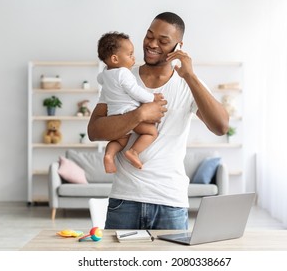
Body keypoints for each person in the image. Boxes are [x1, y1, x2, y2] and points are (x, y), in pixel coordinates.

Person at [88, 12, 229, 230]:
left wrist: (190, 76)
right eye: (149, 36)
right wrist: (139, 115)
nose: (152, 44)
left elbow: (221, 126)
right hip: (125, 200)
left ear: (178, 46)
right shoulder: (121, 75)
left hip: (170, 203)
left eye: (163, 41)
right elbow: (94, 130)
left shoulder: (187, 83)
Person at [97, 32, 163, 173]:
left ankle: (109, 155)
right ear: (115, 59)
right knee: (152, 132)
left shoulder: (104, 74)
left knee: (120, 141)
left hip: (113, 116)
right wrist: (152, 98)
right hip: (128, 111)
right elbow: (135, 91)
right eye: (130, 54)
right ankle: (133, 152)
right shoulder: (124, 73)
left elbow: (99, 80)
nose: (133, 57)